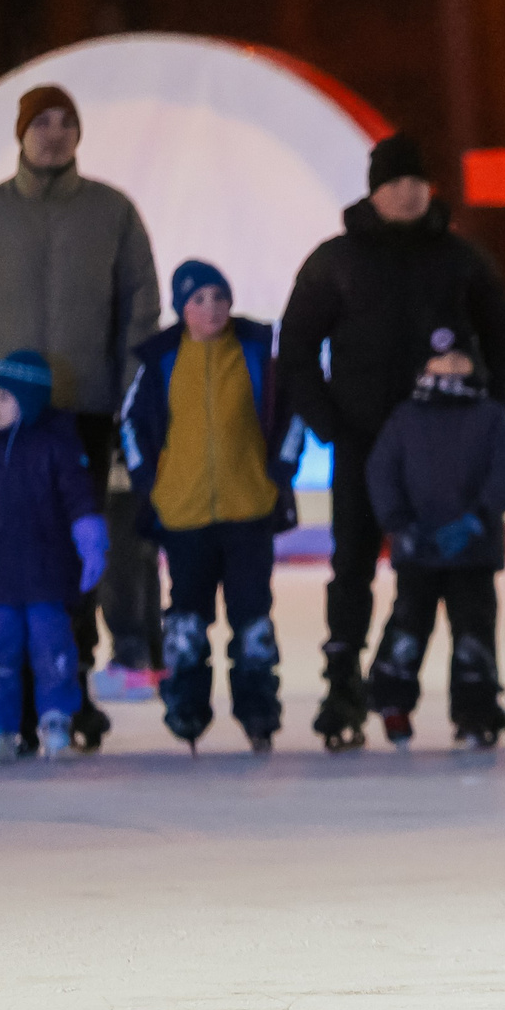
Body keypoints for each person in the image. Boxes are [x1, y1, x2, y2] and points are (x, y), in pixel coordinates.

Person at [0, 84, 159, 752]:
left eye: (65, 123)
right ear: (21, 134)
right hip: (3, 422)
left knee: (74, 561)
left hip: (84, 412)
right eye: (42, 123)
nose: (54, 135)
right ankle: (12, 699)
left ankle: (71, 689)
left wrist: (130, 399)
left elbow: (138, 310)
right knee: (6, 557)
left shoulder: (112, 213)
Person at [279, 133, 505, 751]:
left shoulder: (460, 258)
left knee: (456, 572)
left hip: (446, 447)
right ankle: (344, 684)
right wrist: (329, 425)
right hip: (363, 442)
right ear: (373, 189)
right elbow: (297, 349)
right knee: (352, 563)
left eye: (416, 180)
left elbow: (504, 337)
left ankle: (473, 691)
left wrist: (488, 414)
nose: (407, 191)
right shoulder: (336, 260)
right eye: (394, 182)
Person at [119, 261, 302, 753]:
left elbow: (290, 412)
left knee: (252, 618)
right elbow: (132, 424)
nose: (212, 308)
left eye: (219, 297)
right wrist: (148, 483)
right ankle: (187, 708)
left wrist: (280, 469)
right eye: (198, 300)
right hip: (184, 513)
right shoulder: (160, 361)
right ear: (181, 308)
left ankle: (258, 710)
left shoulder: (255, 350)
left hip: (249, 508)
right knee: (187, 620)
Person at [0, 352, 110, 764]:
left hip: (46, 578)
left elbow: (79, 501)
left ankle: (56, 721)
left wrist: (90, 544)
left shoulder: (56, 447)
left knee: (53, 652)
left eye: (3, 397)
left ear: (28, 402)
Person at [365, 339, 505, 749]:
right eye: (440, 361)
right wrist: (399, 524)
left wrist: (478, 519)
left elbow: (504, 472)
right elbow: (382, 471)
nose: (450, 369)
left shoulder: (490, 418)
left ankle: (476, 711)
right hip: (419, 550)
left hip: (473, 551)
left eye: (459, 360)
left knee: (474, 630)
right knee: (408, 625)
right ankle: (392, 702)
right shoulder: (405, 418)